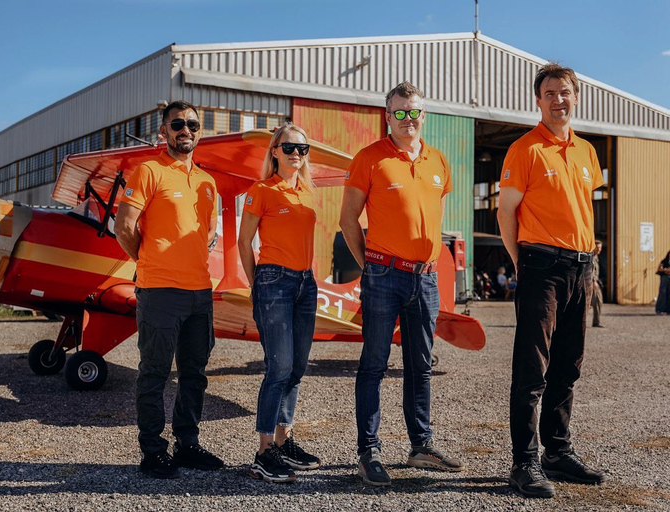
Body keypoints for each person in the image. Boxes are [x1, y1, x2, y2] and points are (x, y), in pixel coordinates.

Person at [339, 81, 463, 487]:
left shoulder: (438, 162)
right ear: (387, 116)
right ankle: (369, 450)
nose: (408, 119)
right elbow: (347, 220)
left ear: (423, 115)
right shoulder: (370, 159)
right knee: (374, 365)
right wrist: (372, 265)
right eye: (400, 112)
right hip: (383, 275)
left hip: (425, 279)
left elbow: (436, 221)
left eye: (414, 112)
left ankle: (421, 445)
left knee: (420, 366)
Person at [498, 63, 606, 499]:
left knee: (569, 365)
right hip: (541, 265)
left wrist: (590, 259)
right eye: (549, 93)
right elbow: (506, 213)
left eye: (565, 92)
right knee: (532, 367)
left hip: (582, 267)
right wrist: (522, 261)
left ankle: (557, 453)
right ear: (537, 100)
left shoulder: (586, 151)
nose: (558, 99)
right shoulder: (525, 149)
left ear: (575, 97)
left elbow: (584, 207)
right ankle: (524, 462)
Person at [114, 100, 224, 479]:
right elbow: (124, 227)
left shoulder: (208, 183)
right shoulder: (148, 171)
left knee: (194, 373)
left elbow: (209, 233)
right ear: (164, 131)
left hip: (199, 293)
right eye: (177, 124)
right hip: (160, 291)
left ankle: (187, 445)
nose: (186, 131)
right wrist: (149, 261)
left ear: (200, 131)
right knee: (154, 373)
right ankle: (153, 450)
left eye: (193, 125)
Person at [237, 123, 321, 483]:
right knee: (279, 367)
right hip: (275, 280)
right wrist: (258, 284)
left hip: (306, 283)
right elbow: (244, 242)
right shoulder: (261, 191)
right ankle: (263, 452)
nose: (295, 155)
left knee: (297, 368)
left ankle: (284, 443)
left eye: (302, 149)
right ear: (274, 151)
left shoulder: (305, 192)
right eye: (288, 148)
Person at [591, 240, 604, 327]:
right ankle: (596, 322)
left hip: (595, 283)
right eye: (597, 247)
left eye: (600, 248)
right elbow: (589, 271)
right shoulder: (591, 258)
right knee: (596, 302)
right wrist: (593, 281)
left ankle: (596, 321)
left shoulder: (596, 258)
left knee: (597, 302)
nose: (599, 249)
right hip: (592, 283)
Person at [656, 250, 670, 315]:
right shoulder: (664, 262)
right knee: (663, 294)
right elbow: (659, 269)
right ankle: (660, 309)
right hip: (665, 279)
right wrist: (665, 270)